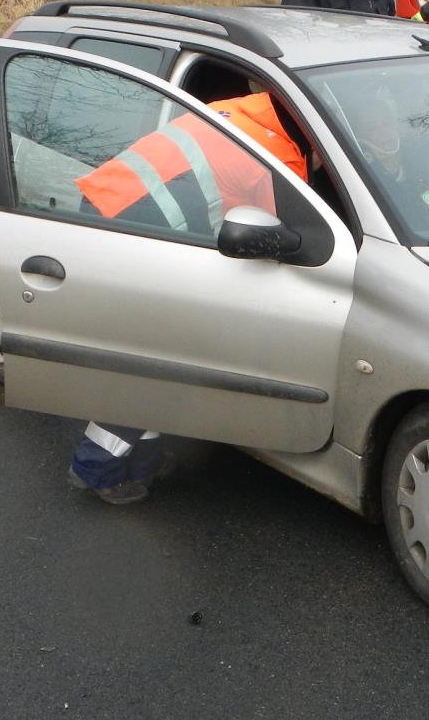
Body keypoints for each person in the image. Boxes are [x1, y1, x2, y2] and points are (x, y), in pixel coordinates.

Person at [66, 92, 308, 503]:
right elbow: (285, 238)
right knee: (157, 363)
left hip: (107, 203)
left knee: (157, 357)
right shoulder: (281, 158)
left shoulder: (246, 107)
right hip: (139, 234)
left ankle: (142, 462)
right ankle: (94, 467)